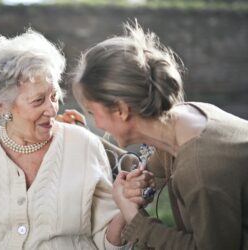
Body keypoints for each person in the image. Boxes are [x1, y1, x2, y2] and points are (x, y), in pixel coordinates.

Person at [0, 29, 152, 250]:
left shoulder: (84, 145)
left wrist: (126, 207)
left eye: (54, 97)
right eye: (38, 101)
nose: (52, 110)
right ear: (3, 106)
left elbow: (106, 240)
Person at [72, 21, 248, 249]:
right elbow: (155, 172)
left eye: (92, 112)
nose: (96, 123)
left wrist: (136, 221)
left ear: (122, 110)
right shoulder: (185, 118)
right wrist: (136, 186)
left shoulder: (200, 170)